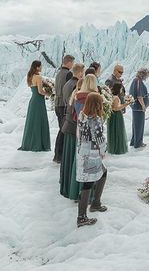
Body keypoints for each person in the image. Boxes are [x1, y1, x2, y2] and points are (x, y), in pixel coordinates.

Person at [76, 92, 108, 227]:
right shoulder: (95, 120)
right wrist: (103, 151)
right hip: (93, 153)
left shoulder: (82, 116)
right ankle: (83, 216)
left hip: (83, 151)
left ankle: (95, 203)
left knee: (100, 174)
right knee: (89, 182)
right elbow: (99, 138)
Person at [60, 63, 84, 200]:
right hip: (74, 127)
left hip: (68, 124)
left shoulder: (67, 84)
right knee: (73, 158)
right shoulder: (76, 88)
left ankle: (67, 184)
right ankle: (73, 187)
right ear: (80, 72)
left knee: (68, 158)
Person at [18, 60, 51, 152]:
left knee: (32, 122)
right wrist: (48, 94)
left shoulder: (30, 76)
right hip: (39, 101)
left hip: (33, 101)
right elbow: (40, 91)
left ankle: (29, 143)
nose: (41, 68)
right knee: (39, 121)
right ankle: (39, 144)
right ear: (37, 67)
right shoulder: (38, 77)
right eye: (41, 66)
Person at [53, 54, 75, 163]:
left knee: (61, 129)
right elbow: (68, 90)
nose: (73, 65)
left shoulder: (58, 73)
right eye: (72, 63)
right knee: (63, 130)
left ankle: (58, 155)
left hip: (57, 104)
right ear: (69, 63)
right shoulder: (68, 74)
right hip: (63, 105)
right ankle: (59, 156)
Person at [129, 68, 149, 148]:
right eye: (147, 75)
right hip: (139, 108)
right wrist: (143, 106)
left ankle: (133, 142)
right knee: (139, 125)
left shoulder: (135, 80)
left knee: (135, 125)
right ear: (143, 74)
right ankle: (138, 143)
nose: (147, 77)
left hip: (136, 108)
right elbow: (139, 96)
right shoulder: (138, 81)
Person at [107, 82, 129, 154]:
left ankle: (114, 147)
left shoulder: (111, 96)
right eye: (121, 89)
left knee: (114, 131)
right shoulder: (116, 97)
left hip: (113, 116)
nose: (121, 90)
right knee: (118, 131)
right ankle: (118, 148)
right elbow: (115, 108)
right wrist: (125, 105)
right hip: (116, 115)